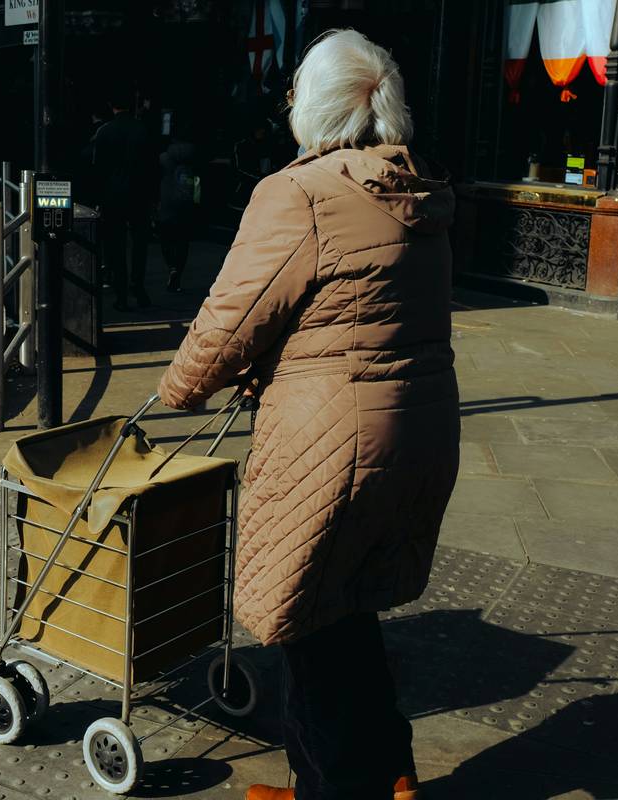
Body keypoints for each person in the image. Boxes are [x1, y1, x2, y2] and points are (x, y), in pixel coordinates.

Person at [158, 29, 460, 800]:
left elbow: (235, 315)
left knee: (305, 629)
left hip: (333, 444)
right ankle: (387, 775)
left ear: (313, 107)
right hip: (418, 430)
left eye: (293, 91)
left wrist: (178, 390)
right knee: (350, 613)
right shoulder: (414, 184)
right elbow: (354, 311)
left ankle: (336, 787)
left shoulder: (299, 193)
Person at [93, 87, 157, 310]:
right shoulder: (143, 130)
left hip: (112, 196)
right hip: (140, 195)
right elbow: (152, 167)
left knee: (116, 246)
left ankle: (120, 293)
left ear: (112, 106)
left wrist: (98, 198)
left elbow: (98, 170)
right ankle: (137, 286)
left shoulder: (104, 132)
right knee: (140, 244)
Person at [157, 121, 200, 292]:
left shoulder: (163, 158)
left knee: (165, 237)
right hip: (186, 201)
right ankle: (178, 271)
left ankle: (171, 266)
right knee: (183, 240)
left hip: (167, 200)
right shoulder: (194, 155)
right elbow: (198, 181)